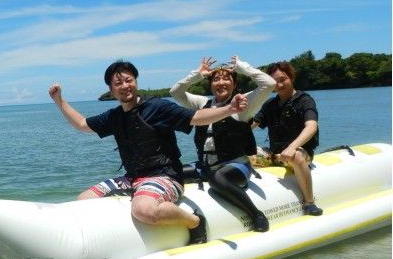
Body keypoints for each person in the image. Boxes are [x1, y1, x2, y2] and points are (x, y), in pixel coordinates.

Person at [49, 60, 248, 245]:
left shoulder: (157, 107)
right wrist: (59, 101)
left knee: (143, 209)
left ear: (136, 82)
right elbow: (83, 124)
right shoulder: (115, 116)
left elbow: (197, 117)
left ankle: (194, 221)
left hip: (165, 176)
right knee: (84, 200)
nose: (125, 86)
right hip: (132, 178)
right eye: (118, 83)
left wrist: (229, 109)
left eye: (129, 80)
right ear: (111, 90)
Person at [170, 55, 275, 231]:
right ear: (210, 85)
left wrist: (242, 67)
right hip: (205, 166)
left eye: (227, 78)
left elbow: (269, 84)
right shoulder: (202, 103)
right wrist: (198, 74)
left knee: (218, 178)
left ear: (234, 84)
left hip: (236, 166)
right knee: (173, 172)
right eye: (216, 79)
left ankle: (256, 214)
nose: (221, 82)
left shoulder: (244, 103)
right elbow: (175, 92)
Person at [253, 62, 323, 215]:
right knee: (246, 154)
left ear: (291, 77)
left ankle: (309, 202)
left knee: (296, 156)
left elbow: (311, 126)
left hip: (300, 152)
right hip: (274, 154)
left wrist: (292, 147)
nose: (279, 85)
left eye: (283, 79)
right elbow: (253, 124)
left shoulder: (305, 101)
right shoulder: (270, 104)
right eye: (274, 82)